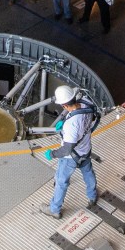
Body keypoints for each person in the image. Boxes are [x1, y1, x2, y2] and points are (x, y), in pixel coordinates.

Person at [43, 85, 100, 219]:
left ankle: (54, 209)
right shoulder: (87, 103)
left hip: (70, 157)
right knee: (88, 173)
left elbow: (66, 150)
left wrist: (52, 154)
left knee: (61, 181)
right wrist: (64, 122)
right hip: (85, 150)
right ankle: (92, 196)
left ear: (64, 105)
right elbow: (89, 120)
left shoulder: (71, 125)